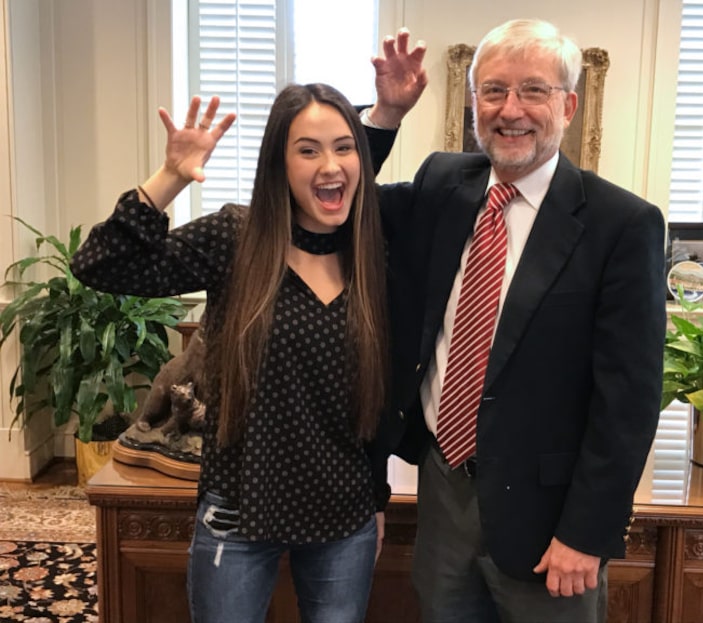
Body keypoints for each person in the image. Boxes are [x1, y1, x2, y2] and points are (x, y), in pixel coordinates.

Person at [70, 31, 427, 623]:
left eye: (343, 147)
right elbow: (99, 264)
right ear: (279, 163)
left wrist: (386, 114)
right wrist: (170, 176)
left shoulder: (373, 249)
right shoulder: (236, 238)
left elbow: (345, 180)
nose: (329, 163)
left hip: (344, 517)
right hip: (237, 512)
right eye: (307, 150)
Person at [368, 18, 666, 623]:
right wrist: (385, 118)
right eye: (494, 90)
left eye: (534, 90)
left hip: (550, 521)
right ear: (473, 101)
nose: (511, 109)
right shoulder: (440, 184)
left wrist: (588, 532)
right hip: (444, 494)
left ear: (569, 105)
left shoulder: (620, 224)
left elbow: (629, 400)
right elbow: (342, 203)